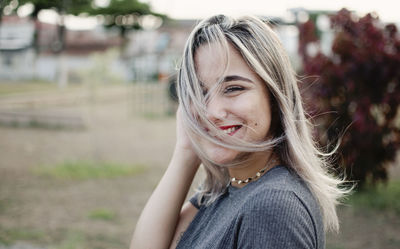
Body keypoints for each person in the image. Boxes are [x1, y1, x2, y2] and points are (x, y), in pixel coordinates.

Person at [130, 14, 349, 249]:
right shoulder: (229, 187)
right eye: (199, 92)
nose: (211, 111)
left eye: (233, 88)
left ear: (275, 98)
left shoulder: (272, 206)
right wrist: (185, 152)